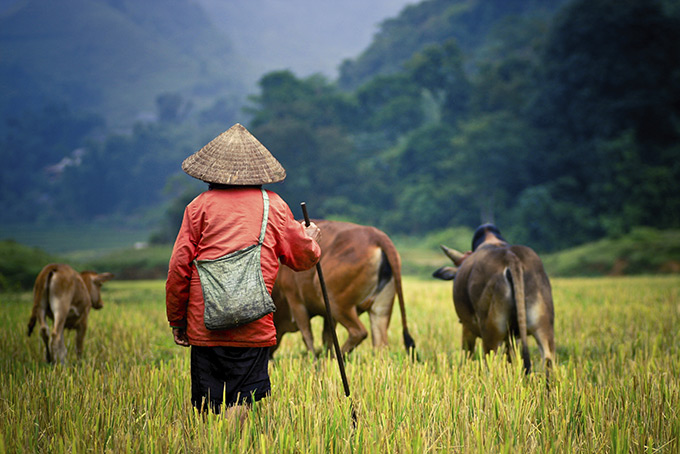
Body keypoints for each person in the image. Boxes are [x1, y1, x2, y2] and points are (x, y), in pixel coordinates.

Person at [165, 123, 321, 422]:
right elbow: (301, 258)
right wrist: (311, 238)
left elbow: (178, 268)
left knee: (209, 401)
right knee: (243, 395)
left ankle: (213, 442)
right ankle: (233, 442)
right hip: (253, 319)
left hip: (204, 320)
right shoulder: (274, 205)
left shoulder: (197, 207)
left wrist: (177, 318)